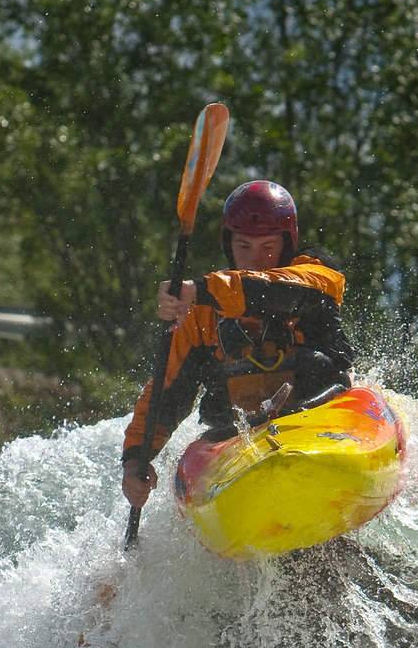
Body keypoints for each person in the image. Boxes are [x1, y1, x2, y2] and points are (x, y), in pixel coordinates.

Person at [121, 181, 355, 509]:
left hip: (318, 420)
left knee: (315, 363)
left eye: (268, 247)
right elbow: (167, 391)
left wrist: (198, 290)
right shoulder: (201, 314)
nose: (255, 260)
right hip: (241, 440)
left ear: (288, 245)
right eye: (244, 246)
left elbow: (276, 289)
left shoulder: (319, 277)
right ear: (229, 245)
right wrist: (136, 460)